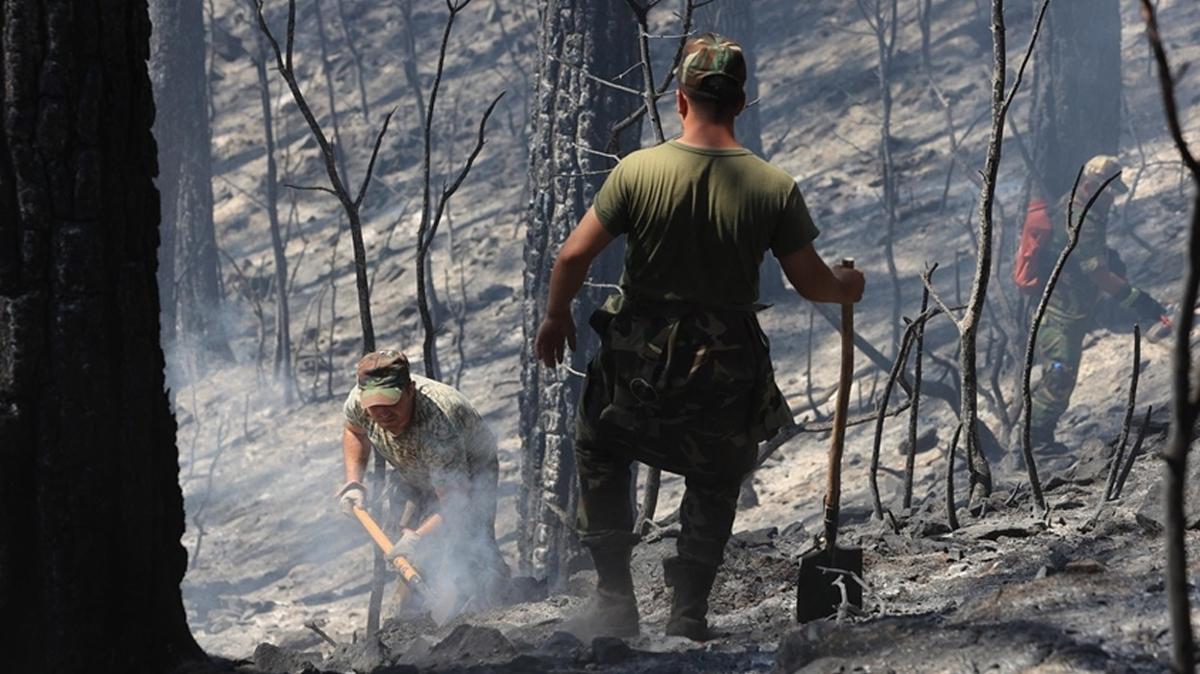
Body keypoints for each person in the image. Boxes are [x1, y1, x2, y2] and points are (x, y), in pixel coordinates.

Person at [534, 33, 865, 641]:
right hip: (724, 365)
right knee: (714, 480)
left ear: (681, 100)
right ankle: (688, 611)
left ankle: (615, 598)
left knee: (600, 448)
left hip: (635, 362)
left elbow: (571, 256)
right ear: (741, 103)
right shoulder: (773, 186)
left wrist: (557, 317)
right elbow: (813, 283)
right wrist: (850, 285)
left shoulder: (638, 171)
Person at [336, 349, 509, 612]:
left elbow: (455, 502)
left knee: (469, 545)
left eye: (390, 402)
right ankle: (415, 615)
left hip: (468, 476)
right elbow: (354, 431)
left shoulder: (438, 427)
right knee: (408, 551)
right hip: (412, 470)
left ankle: (493, 607)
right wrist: (354, 483)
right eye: (374, 405)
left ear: (410, 390)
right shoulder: (359, 403)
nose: (382, 413)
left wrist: (417, 537)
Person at [1029, 155, 1171, 446]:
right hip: (1060, 314)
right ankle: (1035, 443)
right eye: (1108, 193)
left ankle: (1036, 438)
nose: (1112, 200)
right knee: (1060, 375)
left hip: (1070, 308)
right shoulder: (1084, 219)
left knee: (1059, 372)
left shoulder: (1078, 206)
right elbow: (1100, 277)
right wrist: (1143, 303)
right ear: (1092, 186)